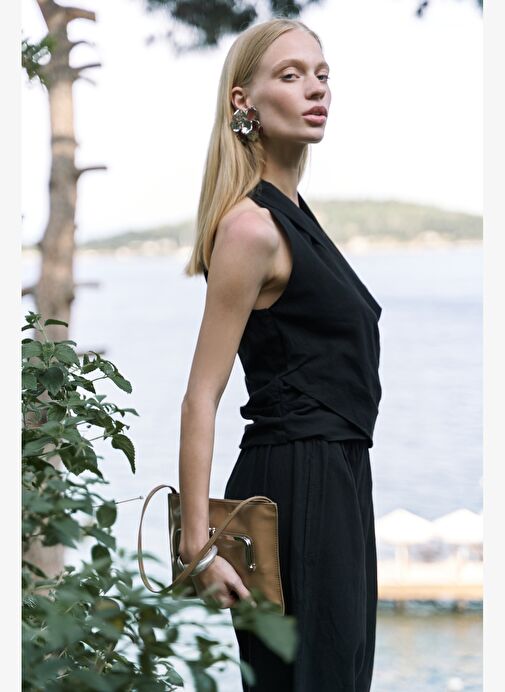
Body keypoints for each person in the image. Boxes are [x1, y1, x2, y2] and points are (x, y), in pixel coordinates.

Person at [177, 17, 382, 692]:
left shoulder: (295, 216)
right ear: (244, 101)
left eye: (321, 75)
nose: (315, 89)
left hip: (340, 479)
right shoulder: (251, 228)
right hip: (296, 484)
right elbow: (201, 394)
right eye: (290, 76)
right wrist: (198, 546)